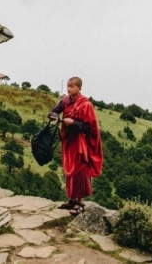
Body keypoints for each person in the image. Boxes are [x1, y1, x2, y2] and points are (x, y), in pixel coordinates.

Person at [47, 76, 103, 216]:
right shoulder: (65, 100)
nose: (69, 88)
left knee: (80, 171)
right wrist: (54, 116)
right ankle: (71, 199)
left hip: (80, 143)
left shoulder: (86, 105)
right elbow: (53, 111)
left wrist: (73, 123)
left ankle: (80, 202)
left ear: (79, 88)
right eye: (68, 86)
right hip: (68, 141)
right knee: (69, 171)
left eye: (72, 86)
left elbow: (89, 127)